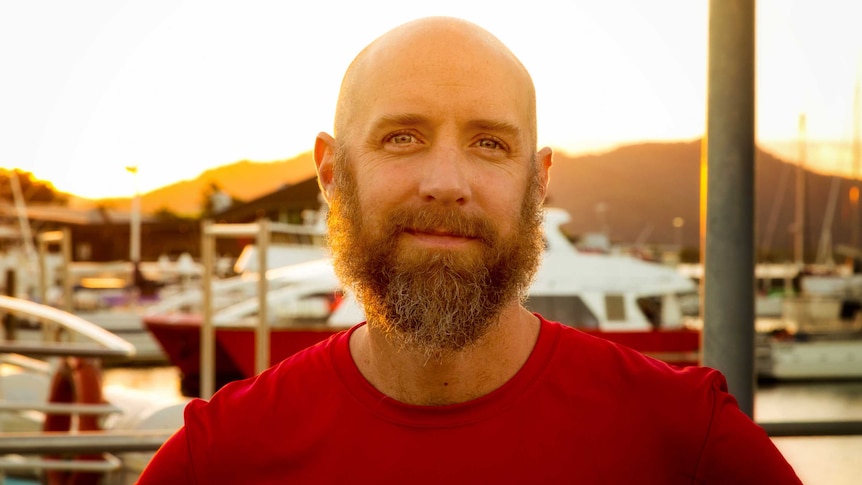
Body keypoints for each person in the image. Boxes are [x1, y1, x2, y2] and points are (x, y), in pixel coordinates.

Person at [138, 16, 801, 484]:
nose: (447, 184)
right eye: (402, 136)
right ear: (333, 172)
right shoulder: (217, 459)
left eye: (489, 143)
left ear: (537, 182)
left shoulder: (688, 439)